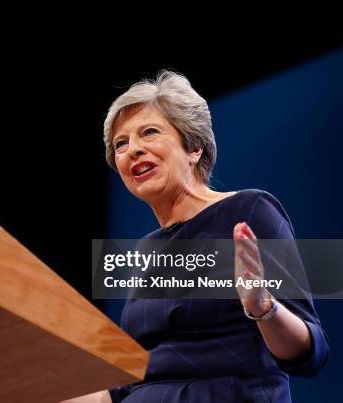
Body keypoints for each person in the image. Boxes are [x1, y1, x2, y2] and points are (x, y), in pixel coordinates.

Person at [63, 71, 329, 402]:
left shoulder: (248, 210)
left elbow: (310, 352)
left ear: (194, 148)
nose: (132, 149)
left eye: (149, 133)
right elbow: (138, 381)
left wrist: (263, 306)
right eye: (121, 143)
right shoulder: (146, 250)